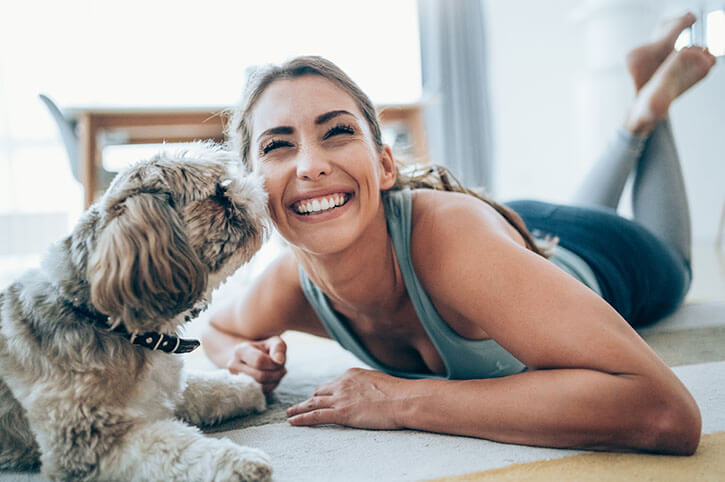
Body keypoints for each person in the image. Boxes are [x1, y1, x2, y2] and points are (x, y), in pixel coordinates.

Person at [203, 12, 716, 455]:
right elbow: (218, 330)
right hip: (516, 228)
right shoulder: (291, 284)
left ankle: (650, 110)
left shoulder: (451, 240)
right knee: (562, 221)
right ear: (251, 187)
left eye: (337, 132)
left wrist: (403, 400)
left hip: (604, 255)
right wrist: (240, 359)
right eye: (277, 145)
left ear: (384, 167)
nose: (311, 166)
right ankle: (636, 111)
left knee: (678, 264)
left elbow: (666, 412)